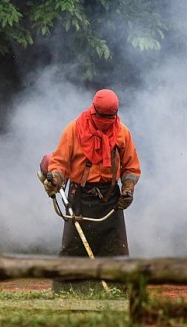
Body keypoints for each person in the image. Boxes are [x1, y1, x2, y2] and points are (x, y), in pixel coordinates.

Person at [42, 89, 141, 293]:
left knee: (116, 249)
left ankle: (117, 292)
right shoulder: (74, 129)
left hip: (110, 198)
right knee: (73, 248)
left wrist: (128, 190)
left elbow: (131, 167)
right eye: (102, 117)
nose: (105, 121)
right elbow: (60, 163)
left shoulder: (122, 133)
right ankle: (65, 293)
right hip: (79, 195)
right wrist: (56, 179)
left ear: (115, 114)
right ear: (93, 110)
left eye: (109, 117)